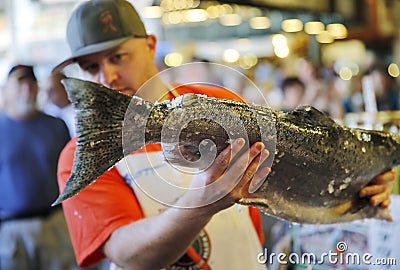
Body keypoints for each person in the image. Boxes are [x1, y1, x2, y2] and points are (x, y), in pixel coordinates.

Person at [53, 1, 395, 269]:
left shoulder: (222, 104)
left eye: (117, 57)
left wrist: (353, 192)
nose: (107, 76)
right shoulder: (83, 152)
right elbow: (129, 256)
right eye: (91, 67)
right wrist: (204, 202)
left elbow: (287, 188)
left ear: (150, 45)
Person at [0, 64, 76, 269]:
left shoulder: (55, 125)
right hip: (11, 230)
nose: (27, 89)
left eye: (31, 84)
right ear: (6, 89)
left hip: (56, 223)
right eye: (20, 84)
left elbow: (71, 173)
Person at [41, 71, 76, 138]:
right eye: (45, 91)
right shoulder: (49, 113)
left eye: (51, 91)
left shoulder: (78, 114)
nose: (47, 96)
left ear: (65, 89)